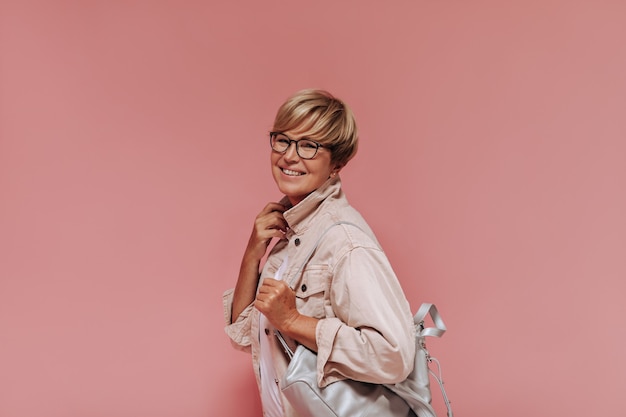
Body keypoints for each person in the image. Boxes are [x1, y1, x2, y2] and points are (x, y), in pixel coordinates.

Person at [222, 89, 416, 416]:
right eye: (282, 140)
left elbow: (393, 356)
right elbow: (244, 338)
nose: (289, 156)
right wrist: (252, 256)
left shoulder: (344, 241)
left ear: (337, 162)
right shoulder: (288, 231)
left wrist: (294, 320)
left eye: (309, 145)